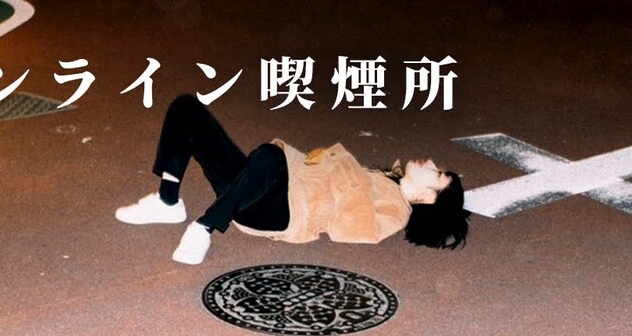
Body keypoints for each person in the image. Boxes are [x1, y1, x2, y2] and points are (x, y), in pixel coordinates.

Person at [115, 94, 470, 265]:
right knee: (187, 108)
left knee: (270, 157)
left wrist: (339, 169)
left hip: (281, 212)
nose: (431, 163)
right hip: (262, 185)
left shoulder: (396, 211)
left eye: (437, 173)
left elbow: (349, 229)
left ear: (430, 197)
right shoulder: (384, 178)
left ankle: (206, 225)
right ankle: (167, 201)